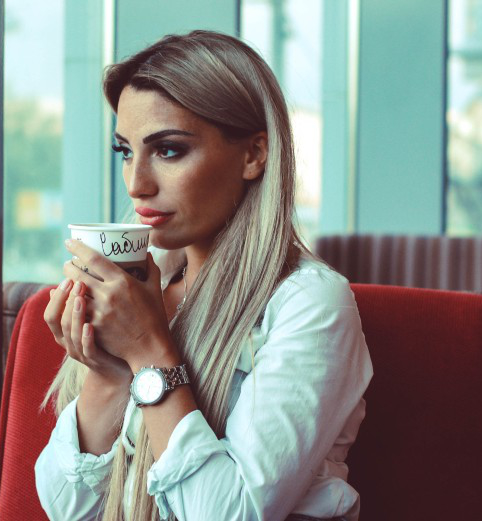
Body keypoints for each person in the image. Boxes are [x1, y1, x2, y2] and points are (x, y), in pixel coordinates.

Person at [35, 29, 373, 521]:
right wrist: (108, 375)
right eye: (126, 151)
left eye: (169, 150)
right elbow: (69, 509)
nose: (137, 183)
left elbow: (229, 514)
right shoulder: (142, 289)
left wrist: (149, 354)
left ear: (254, 155)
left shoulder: (310, 303)